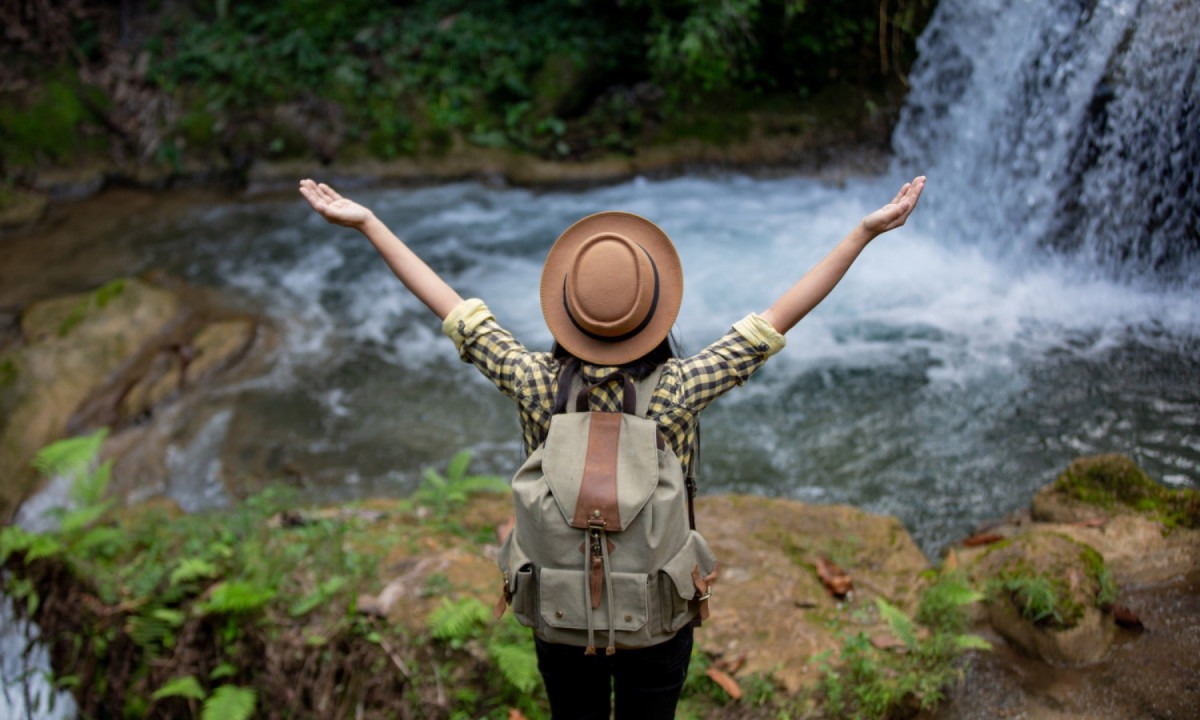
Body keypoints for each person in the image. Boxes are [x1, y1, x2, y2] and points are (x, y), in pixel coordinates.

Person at [299, 174, 925, 719]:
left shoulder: (533, 381)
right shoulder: (681, 388)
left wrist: (370, 223)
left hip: (560, 614)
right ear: (655, 311)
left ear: (566, 312)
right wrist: (861, 234)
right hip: (656, 616)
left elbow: (453, 309)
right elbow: (774, 322)